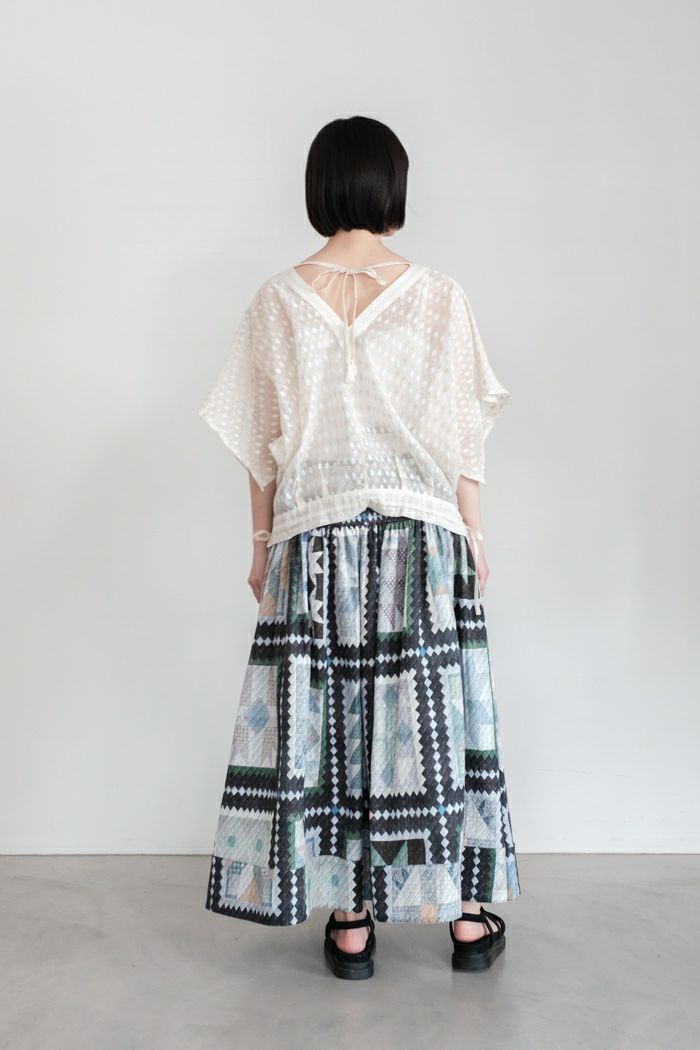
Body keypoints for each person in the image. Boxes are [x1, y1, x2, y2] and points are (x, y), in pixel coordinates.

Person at [199, 114, 521, 980]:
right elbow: (463, 437)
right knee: (428, 724)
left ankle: (350, 922)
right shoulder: (440, 295)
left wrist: (261, 546)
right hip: (420, 533)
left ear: (319, 186)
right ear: (391, 187)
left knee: (330, 724)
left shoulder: (277, 300)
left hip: (315, 535)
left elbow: (260, 444)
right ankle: (463, 918)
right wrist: (475, 537)